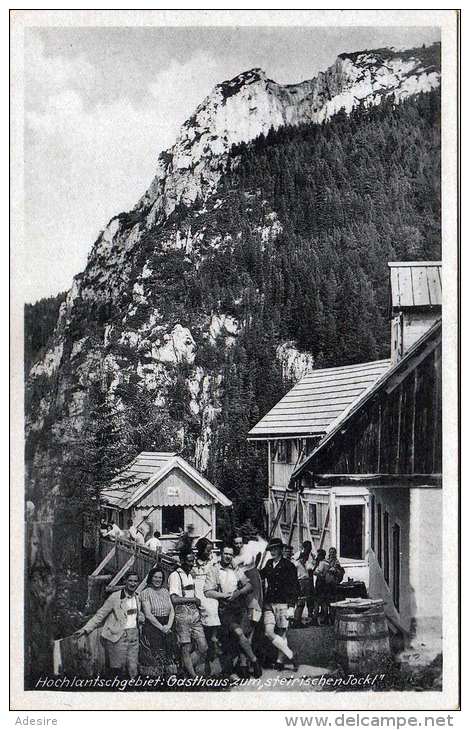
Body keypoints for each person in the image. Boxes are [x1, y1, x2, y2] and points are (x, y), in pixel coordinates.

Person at [204, 544, 262, 679]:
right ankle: (254, 660)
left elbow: (249, 585)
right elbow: (207, 591)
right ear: (221, 554)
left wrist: (239, 592)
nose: (228, 556)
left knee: (242, 637)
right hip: (225, 609)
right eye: (226, 553)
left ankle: (244, 667)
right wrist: (224, 596)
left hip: (239, 607)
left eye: (230, 554)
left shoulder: (236, 569)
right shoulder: (214, 570)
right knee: (238, 633)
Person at [74, 571, 143, 678]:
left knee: (133, 669)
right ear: (125, 581)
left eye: (135, 581)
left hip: (134, 637)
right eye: (130, 580)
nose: (133, 584)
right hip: (118, 637)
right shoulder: (115, 597)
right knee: (117, 669)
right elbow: (100, 615)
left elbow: (135, 616)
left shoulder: (137, 597)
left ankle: (131, 692)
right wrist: (85, 629)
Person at [260, 537, 299, 670]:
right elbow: (260, 575)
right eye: (271, 549)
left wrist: (292, 607)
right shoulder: (269, 564)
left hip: (283, 603)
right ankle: (290, 654)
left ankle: (279, 660)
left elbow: (295, 587)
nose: (273, 552)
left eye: (276, 549)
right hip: (269, 603)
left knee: (282, 633)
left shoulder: (289, 566)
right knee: (268, 632)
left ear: (281, 550)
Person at [168, 550, 208, 678]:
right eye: (189, 561)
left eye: (193, 561)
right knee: (186, 647)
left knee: (203, 646)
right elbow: (174, 599)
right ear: (182, 561)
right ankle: (193, 676)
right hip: (182, 613)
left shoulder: (190, 575)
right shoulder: (175, 575)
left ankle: (183, 669)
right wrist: (193, 600)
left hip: (194, 613)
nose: (192, 564)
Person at [139, 567, 178, 677]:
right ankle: (156, 678)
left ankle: (170, 677)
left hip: (167, 624)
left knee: (170, 650)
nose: (158, 579)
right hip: (153, 625)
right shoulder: (145, 592)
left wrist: (168, 626)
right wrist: (162, 628)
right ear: (151, 578)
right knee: (156, 653)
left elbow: (172, 611)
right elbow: (148, 614)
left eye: (160, 577)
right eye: (155, 577)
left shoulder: (165, 591)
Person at [192, 537, 221, 668]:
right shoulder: (193, 561)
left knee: (213, 605)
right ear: (200, 550)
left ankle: (214, 636)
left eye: (210, 551)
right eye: (207, 551)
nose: (209, 553)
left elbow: (216, 576)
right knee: (202, 606)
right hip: (196, 586)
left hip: (208, 585)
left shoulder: (212, 561)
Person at [292, 540, 315, 627]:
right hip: (302, 580)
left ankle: (298, 619)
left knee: (304, 600)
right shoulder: (298, 559)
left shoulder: (308, 558)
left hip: (307, 579)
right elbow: (294, 562)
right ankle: (296, 621)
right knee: (301, 601)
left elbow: (311, 568)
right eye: (308, 548)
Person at [312, 549, 331, 625]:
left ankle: (315, 619)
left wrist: (314, 571)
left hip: (320, 583)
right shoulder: (327, 563)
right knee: (324, 602)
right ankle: (326, 619)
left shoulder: (321, 563)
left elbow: (319, 573)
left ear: (321, 555)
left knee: (316, 602)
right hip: (325, 584)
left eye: (318, 555)